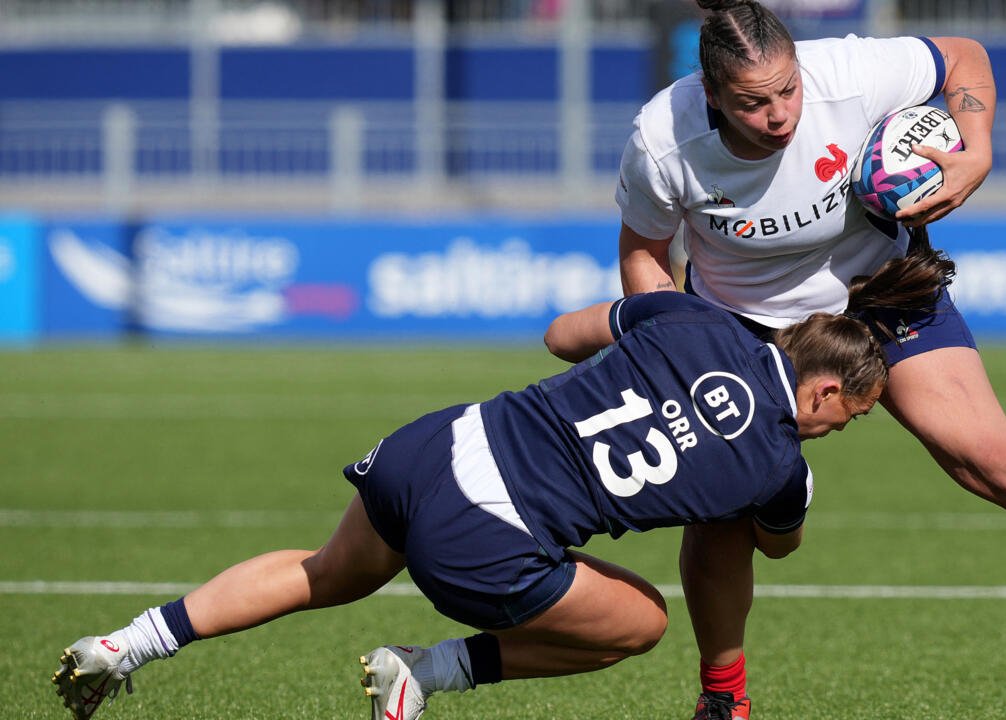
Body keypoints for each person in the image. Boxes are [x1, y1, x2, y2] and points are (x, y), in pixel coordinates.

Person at [609, 1, 1006, 717]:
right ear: (712, 91)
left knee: (985, 454)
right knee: (724, 513)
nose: (781, 114)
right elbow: (644, 253)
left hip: (877, 287)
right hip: (746, 327)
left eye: (788, 90)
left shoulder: (847, 75)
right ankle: (724, 699)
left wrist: (976, 147)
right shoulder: (663, 138)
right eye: (754, 103)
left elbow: (963, 55)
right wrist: (670, 347)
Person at [50, 258, 953, 720]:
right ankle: (427, 670)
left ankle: (125, 643)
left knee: (323, 571)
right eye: (854, 416)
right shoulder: (781, 470)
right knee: (642, 625)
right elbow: (775, 544)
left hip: (441, 442)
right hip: (488, 535)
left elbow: (562, 336)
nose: (842, 430)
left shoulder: (693, 316)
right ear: (827, 390)